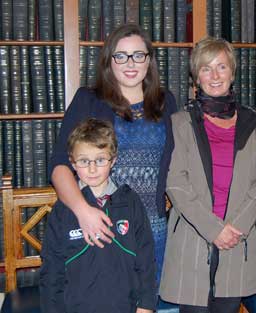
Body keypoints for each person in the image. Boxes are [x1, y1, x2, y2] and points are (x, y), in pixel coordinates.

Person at [49, 24, 176, 294]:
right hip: (102, 225)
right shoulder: (88, 100)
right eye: (121, 56)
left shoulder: (167, 102)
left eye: (138, 55)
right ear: (109, 61)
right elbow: (60, 165)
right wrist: (84, 213)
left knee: (147, 302)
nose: (130, 63)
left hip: (153, 232)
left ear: (149, 60)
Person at [159, 37, 256, 313]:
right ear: (196, 77)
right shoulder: (181, 122)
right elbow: (176, 181)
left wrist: (235, 227)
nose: (214, 76)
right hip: (192, 239)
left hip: (237, 239)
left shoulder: (253, 121)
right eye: (206, 68)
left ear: (232, 73)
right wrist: (214, 229)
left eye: (221, 67)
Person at [40, 118, 156, 313]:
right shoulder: (63, 211)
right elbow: (52, 269)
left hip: (124, 306)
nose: (92, 169)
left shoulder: (130, 202)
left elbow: (146, 258)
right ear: (73, 163)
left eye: (100, 160)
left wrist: (146, 305)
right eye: (84, 161)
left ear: (114, 160)